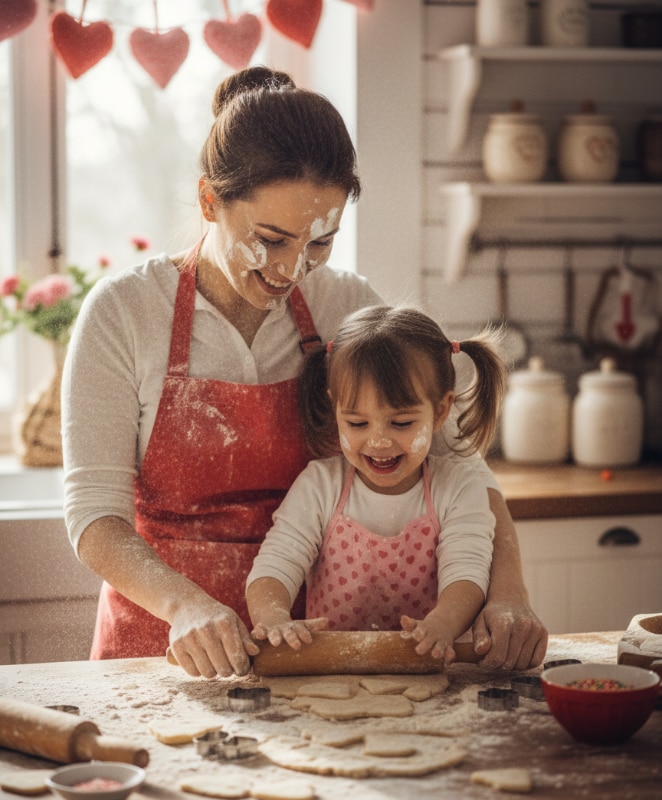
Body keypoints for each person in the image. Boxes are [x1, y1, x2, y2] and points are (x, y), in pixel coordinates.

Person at [62, 65, 547, 680]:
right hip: (162, 648)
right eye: (270, 239)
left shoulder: (346, 305)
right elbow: (94, 518)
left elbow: (458, 463)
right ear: (211, 199)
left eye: (319, 243)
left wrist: (510, 593)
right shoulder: (125, 311)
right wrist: (186, 606)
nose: (293, 269)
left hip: (313, 645)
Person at [246, 305, 505, 667]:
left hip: (428, 667)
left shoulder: (459, 487)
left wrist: (442, 625)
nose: (379, 441)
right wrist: (273, 618)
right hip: (330, 673)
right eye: (357, 423)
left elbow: (468, 571)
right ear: (335, 407)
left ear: (442, 410)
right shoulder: (320, 485)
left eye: (401, 423)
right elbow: (276, 564)